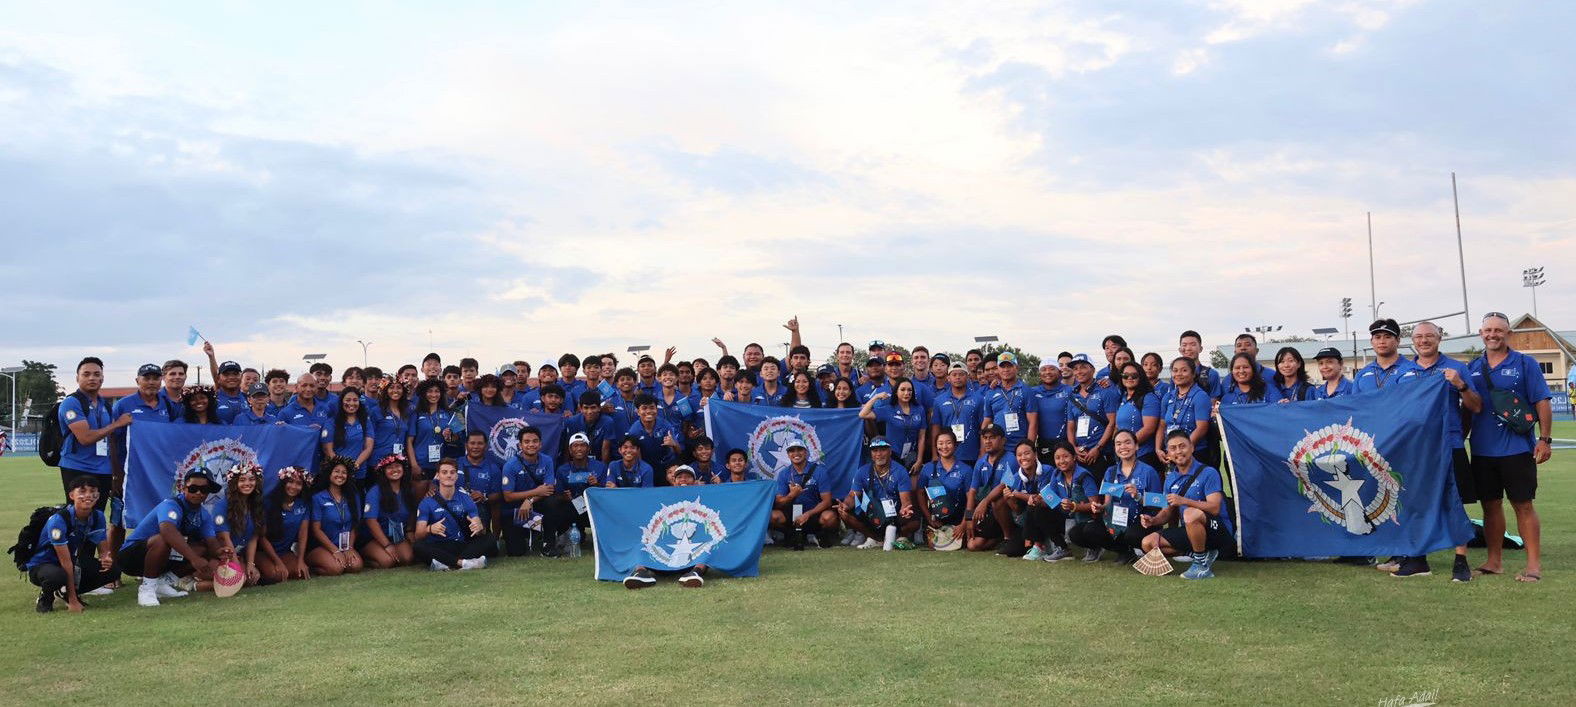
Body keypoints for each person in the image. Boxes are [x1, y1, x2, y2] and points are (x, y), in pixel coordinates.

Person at [1466, 312, 1554, 583]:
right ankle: (1494, 562)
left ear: (1508, 334)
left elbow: (1542, 401)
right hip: (1482, 449)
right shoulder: (1473, 366)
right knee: (1490, 506)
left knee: (1523, 505)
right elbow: (1467, 407)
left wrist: (1545, 439)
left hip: (1517, 448)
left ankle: (1533, 566)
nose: (1492, 334)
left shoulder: (1525, 363)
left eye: (1498, 330)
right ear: (1481, 333)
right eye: (1488, 330)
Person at [1405, 320, 1482, 581]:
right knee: (1416, 502)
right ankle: (1418, 559)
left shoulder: (1456, 368)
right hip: (1416, 448)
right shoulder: (1404, 372)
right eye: (1419, 337)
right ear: (1413, 341)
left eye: (1430, 336)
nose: (1424, 340)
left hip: (1449, 445)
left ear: (1439, 338)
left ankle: (1461, 561)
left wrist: (1461, 385)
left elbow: (1476, 406)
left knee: (1454, 503)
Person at [119, 468, 223, 607]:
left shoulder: (203, 514)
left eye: (204, 489)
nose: (198, 493)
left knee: (202, 549)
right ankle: (147, 589)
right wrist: (194, 559)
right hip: (130, 557)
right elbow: (167, 531)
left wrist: (221, 552)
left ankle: (162, 583)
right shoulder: (170, 505)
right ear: (183, 488)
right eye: (193, 488)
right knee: (163, 540)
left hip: (161, 557)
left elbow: (211, 541)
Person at [1139, 430, 1234, 580]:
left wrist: (1185, 501)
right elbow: (1166, 512)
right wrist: (1153, 520)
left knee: (1190, 513)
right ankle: (1200, 554)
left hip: (1218, 531)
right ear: (1168, 454)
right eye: (1173, 448)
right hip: (1191, 530)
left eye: (1182, 446)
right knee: (1147, 543)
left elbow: (1215, 508)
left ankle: (1201, 566)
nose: (1178, 451)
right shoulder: (1170, 479)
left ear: (1192, 448)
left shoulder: (1209, 472)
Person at [25, 475, 119, 613]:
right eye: (82, 491)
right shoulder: (59, 520)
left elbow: (103, 549)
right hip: (43, 564)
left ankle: (62, 591)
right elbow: (65, 562)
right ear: (71, 495)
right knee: (56, 576)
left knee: (113, 570)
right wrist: (73, 600)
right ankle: (46, 597)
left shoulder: (97, 516)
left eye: (92, 491)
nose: (88, 495)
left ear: (98, 495)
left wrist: (106, 558)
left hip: (70, 561)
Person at [59, 357, 133, 509]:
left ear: (102, 378)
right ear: (77, 378)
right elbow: (85, 438)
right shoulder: (71, 403)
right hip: (77, 467)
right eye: (86, 374)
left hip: (103, 469)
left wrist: (116, 473)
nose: (92, 378)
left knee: (98, 514)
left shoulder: (105, 405)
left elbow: (111, 440)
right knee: (80, 514)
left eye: (96, 374)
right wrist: (117, 424)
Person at [622, 465, 710, 589]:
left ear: (694, 481)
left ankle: (694, 574)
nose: (683, 479)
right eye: (679, 477)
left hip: (692, 558)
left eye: (687, 477)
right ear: (674, 481)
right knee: (641, 546)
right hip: (663, 556)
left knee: (709, 546)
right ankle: (641, 574)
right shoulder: (662, 498)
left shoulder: (704, 498)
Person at [1081, 429, 1163, 561]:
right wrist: (1100, 507)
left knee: (1132, 535)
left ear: (1136, 446)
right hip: (1117, 520)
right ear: (1114, 448)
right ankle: (1126, 552)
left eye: (1127, 442)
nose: (1123, 447)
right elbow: (1107, 503)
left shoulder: (1148, 471)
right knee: (1088, 530)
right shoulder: (1110, 471)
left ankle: (1140, 547)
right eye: (1118, 444)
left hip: (1143, 521)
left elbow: (1158, 505)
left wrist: (1138, 497)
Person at [501, 425, 570, 556]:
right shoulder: (510, 465)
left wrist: (530, 500)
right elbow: (507, 496)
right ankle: (528, 534)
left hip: (537, 504)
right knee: (516, 552)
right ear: (520, 445)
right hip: (516, 509)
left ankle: (548, 545)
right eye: (526, 442)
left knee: (554, 501)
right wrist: (534, 493)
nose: (531, 445)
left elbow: (548, 489)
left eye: (535, 441)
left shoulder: (547, 460)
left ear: (540, 444)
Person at [413, 459, 493, 571]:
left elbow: (477, 522)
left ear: (456, 476)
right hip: (439, 545)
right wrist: (430, 528)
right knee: (418, 546)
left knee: (489, 538)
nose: (449, 475)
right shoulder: (427, 502)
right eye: (444, 472)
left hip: (461, 544)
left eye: (452, 472)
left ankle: (446, 564)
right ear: (438, 476)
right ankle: (464, 563)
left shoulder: (466, 498)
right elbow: (418, 535)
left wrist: (478, 527)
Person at [837, 438, 918, 550]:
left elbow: (906, 500)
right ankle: (875, 539)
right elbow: (852, 495)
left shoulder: (900, 471)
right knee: (844, 513)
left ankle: (898, 536)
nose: (879, 454)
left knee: (914, 521)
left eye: (883, 450)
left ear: (890, 451)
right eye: (875, 450)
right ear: (871, 453)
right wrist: (845, 505)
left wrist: (905, 510)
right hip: (873, 515)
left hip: (894, 515)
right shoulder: (862, 471)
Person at [994, 439, 1063, 561]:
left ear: (1035, 454)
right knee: (1012, 551)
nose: (1023, 458)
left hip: (1051, 514)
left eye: (1027, 453)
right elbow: (1017, 510)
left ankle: (1040, 545)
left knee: (1035, 505)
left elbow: (1044, 498)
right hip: (1028, 521)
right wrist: (1009, 498)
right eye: (1019, 455)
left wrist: (1017, 494)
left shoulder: (1048, 470)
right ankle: (1034, 543)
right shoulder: (1015, 477)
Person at [769, 438, 838, 549]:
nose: (796, 453)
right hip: (792, 514)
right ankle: (791, 534)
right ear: (788, 454)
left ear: (806, 452)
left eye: (799, 450)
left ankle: (818, 533)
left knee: (830, 517)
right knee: (771, 516)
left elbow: (827, 501)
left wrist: (808, 514)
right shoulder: (783, 474)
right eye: (792, 450)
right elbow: (779, 503)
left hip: (813, 512)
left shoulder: (819, 471)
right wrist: (792, 495)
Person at [306, 457, 365, 577]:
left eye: (344, 472)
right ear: (329, 474)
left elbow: (355, 524)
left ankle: (338, 557)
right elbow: (316, 530)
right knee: (336, 568)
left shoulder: (353, 496)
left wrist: (349, 547)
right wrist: (334, 550)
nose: (340, 475)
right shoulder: (318, 498)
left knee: (356, 566)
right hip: (322, 546)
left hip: (344, 545)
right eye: (336, 471)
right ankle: (313, 565)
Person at [1045, 439, 1101, 561]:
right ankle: (1062, 548)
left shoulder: (1083, 475)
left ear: (1074, 457)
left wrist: (1075, 506)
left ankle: (1094, 547)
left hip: (1088, 518)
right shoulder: (1056, 473)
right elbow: (1050, 497)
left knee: (1076, 534)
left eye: (1065, 456)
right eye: (1057, 458)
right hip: (1068, 513)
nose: (1061, 461)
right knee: (1040, 510)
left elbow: (1095, 505)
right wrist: (1036, 500)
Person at [360, 456, 416, 569]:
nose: (394, 470)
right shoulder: (375, 491)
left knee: (407, 558)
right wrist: (387, 545)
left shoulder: (408, 489)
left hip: (397, 536)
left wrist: (409, 530)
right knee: (387, 561)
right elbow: (371, 521)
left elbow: (412, 511)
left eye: (397, 466)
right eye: (389, 467)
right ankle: (364, 559)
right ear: (383, 471)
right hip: (373, 538)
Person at [258, 466, 312, 584]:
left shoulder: (303, 504)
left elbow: (303, 533)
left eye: (298, 484)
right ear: (283, 482)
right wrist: (278, 562)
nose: (294, 486)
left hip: (284, 552)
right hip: (263, 552)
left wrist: (300, 560)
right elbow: (261, 537)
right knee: (277, 575)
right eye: (290, 482)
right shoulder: (268, 502)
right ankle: (257, 571)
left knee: (299, 573)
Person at [861, 379, 927, 474]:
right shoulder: (889, 409)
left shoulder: (919, 409)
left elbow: (922, 436)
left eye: (909, 390)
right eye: (902, 390)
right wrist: (876, 397)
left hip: (912, 455)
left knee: (912, 482)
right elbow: (863, 414)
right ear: (896, 392)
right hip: (892, 455)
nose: (906, 393)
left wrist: (919, 460)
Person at [1064, 353, 1116, 474]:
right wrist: (1073, 448)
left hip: (1102, 453)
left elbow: (1112, 422)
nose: (1079, 371)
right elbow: (1071, 426)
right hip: (1081, 454)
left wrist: (1098, 447)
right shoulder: (1072, 395)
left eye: (1083, 367)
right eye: (1075, 368)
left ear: (1092, 369)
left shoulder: (1104, 390)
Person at [917, 429, 970, 545]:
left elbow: (971, 500)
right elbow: (920, 493)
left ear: (955, 445)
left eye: (948, 443)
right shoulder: (928, 468)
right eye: (940, 443)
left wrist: (964, 524)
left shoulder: (966, 470)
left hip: (959, 521)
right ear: (936, 447)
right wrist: (929, 518)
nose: (944, 447)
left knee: (966, 544)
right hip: (937, 521)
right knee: (933, 545)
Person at [1157, 357, 1213, 465]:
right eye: (1175, 370)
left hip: (1195, 453)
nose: (1178, 374)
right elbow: (1162, 425)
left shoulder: (1200, 396)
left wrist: (1183, 450)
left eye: (1184, 370)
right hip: (1172, 453)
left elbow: (1202, 427)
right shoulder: (1168, 396)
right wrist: (1158, 449)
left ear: (1193, 373)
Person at [963, 426, 1011, 551]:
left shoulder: (1011, 458)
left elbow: (1004, 485)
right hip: (987, 511)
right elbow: (972, 492)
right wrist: (969, 518)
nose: (988, 441)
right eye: (985, 438)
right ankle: (998, 538)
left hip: (1007, 508)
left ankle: (1008, 537)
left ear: (1003, 440)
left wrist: (985, 501)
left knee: (997, 501)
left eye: (992, 437)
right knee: (972, 545)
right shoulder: (980, 462)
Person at [407, 379, 461, 483]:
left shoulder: (448, 413)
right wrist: (414, 465)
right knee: (421, 493)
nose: (434, 394)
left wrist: (450, 436)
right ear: (423, 394)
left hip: (443, 465)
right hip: (421, 464)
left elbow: (456, 439)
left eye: (437, 391)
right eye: (430, 391)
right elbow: (409, 441)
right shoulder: (416, 414)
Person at [931, 362, 984, 466]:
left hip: (972, 453)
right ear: (948, 378)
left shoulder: (979, 399)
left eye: (961, 374)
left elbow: (983, 427)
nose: (958, 377)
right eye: (954, 375)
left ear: (967, 376)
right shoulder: (939, 400)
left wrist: (982, 452)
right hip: (947, 454)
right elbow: (936, 428)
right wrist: (934, 453)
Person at [1113, 361, 1162, 470]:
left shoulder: (1149, 398)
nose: (1129, 378)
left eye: (1134, 375)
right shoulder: (1123, 398)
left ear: (1141, 377)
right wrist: (1118, 447)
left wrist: (1127, 446)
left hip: (1143, 456)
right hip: (1123, 456)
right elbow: (1117, 426)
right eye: (1125, 375)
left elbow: (1149, 428)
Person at [982, 352, 1035, 451]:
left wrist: (1029, 448)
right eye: (1002, 367)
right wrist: (983, 450)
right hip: (997, 447)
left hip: (1019, 447)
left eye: (1009, 366)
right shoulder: (991, 392)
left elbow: (1033, 422)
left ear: (1016, 367)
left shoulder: (1026, 390)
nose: (1006, 370)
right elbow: (986, 421)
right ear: (998, 369)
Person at [1354, 319, 1423, 393]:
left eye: (1387, 337)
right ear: (1371, 341)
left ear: (1398, 340)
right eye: (1377, 337)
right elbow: (1355, 399)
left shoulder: (1414, 370)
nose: (1382, 341)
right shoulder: (1362, 374)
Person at [323, 387, 375, 484]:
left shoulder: (365, 421)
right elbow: (328, 450)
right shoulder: (331, 422)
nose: (351, 403)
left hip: (359, 473)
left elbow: (368, 448)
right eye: (348, 400)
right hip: (337, 474)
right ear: (341, 402)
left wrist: (355, 466)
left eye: (355, 400)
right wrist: (342, 469)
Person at [457, 433, 504, 533]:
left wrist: (484, 497)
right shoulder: (455, 464)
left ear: (486, 446)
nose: (476, 447)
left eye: (480, 443)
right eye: (472, 443)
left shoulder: (493, 468)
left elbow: (498, 495)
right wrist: (432, 486)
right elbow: (437, 483)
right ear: (466, 445)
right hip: (456, 513)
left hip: (481, 516)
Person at [1178, 330, 1222, 396]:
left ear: (1200, 349)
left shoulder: (1211, 374)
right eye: (1184, 345)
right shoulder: (1176, 375)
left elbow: (1215, 399)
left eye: (1193, 345)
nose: (1188, 348)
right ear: (1180, 349)